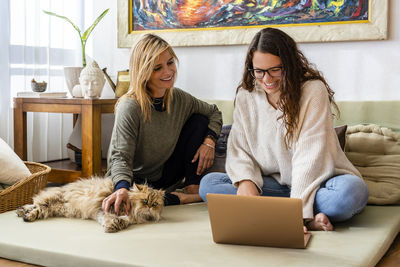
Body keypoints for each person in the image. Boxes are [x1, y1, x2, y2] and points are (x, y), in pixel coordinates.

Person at [199, 27, 369, 231]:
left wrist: (296, 215)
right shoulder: (246, 95)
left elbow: (310, 155)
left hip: (319, 183)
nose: (267, 79)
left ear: (289, 64)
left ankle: (283, 214)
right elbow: (239, 147)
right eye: (259, 71)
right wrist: (246, 181)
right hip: (274, 185)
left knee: (351, 193)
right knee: (209, 184)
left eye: (275, 70)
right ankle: (301, 215)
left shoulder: (313, 90)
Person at [102, 34, 222, 215]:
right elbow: (120, 157)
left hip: (166, 175)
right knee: (134, 200)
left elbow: (214, 112)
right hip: (136, 180)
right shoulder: (130, 106)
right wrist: (121, 188)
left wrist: (209, 142)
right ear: (143, 72)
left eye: (170, 62)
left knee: (200, 121)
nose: (168, 72)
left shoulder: (179, 98)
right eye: (158, 68)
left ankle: (192, 188)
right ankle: (183, 199)